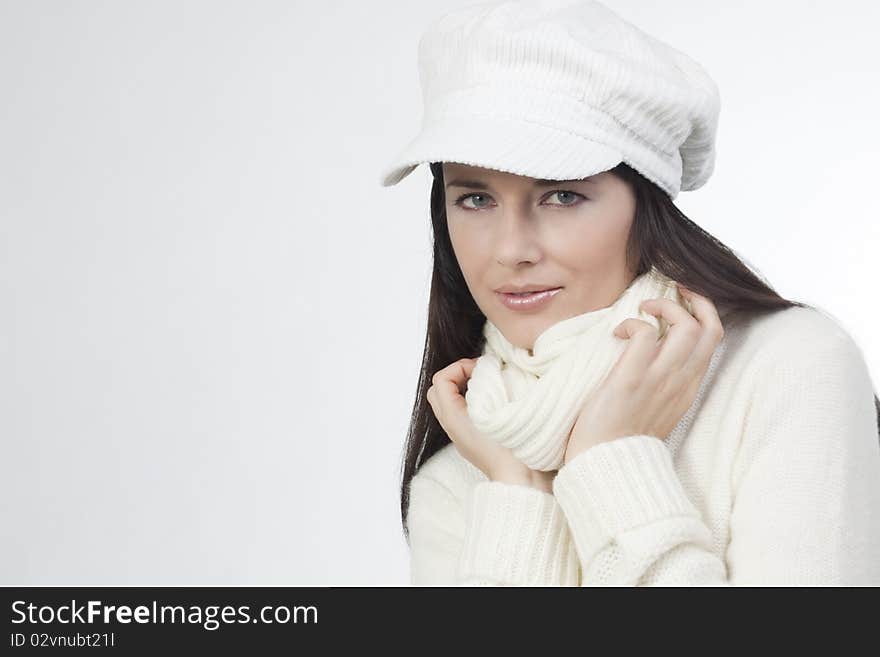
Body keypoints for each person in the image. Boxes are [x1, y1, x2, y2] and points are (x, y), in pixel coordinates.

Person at [379, 0, 880, 586]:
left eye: (562, 196)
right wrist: (518, 494)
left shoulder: (784, 368)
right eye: (476, 199)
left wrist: (610, 460)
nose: (510, 250)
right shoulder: (467, 460)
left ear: (646, 206)